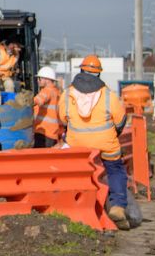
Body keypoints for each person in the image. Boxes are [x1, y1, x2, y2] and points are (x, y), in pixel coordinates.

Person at [57, 54, 130, 230]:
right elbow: (120, 120)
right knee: (115, 170)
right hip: (105, 143)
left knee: (77, 172)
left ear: (81, 70)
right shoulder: (108, 95)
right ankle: (118, 206)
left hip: (77, 145)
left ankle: (74, 204)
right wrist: (113, 133)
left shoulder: (67, 94)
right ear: (98, 74)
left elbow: (63, 119)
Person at [33, 66, 62, 148]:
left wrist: (24, 102)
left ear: (47, 79)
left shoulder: (47, 90)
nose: (38, 81)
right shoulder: (57, 92)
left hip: (43, 132)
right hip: (52, 133)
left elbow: (37, 100)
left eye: (39, 79)